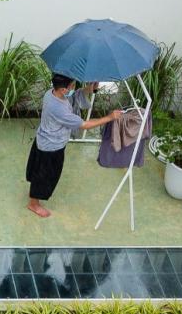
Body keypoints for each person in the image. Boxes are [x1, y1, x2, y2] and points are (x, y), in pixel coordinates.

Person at [26, 74, 120, 217]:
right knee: (45, 177)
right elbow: (84, 125)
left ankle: (34, 196)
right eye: (72, 86)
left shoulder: (51, 93)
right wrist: (110, 117)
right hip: (51, 147)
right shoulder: (59, 109)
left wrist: (89, 89)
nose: (74, 88)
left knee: (39, 172)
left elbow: (73, 96)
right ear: (63, 89)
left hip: (43, 140)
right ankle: (33, 204)